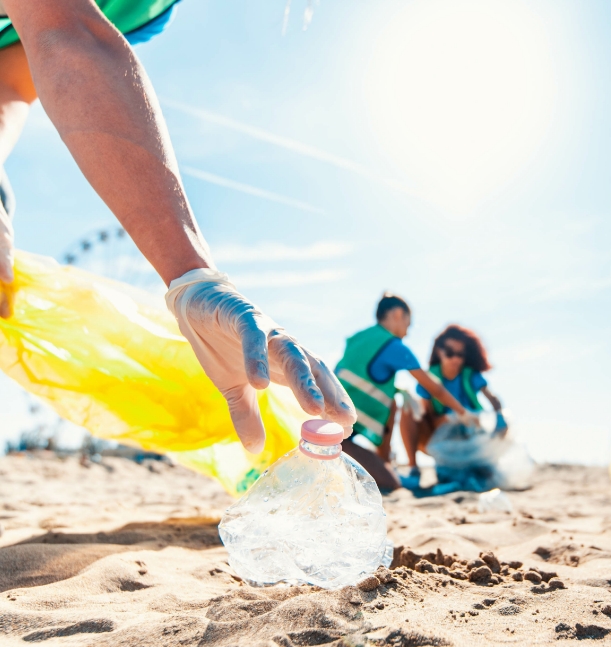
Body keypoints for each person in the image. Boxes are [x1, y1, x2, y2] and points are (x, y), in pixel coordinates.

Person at [0, 0, 355, 451]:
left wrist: (193, 281)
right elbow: (66, 32)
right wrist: (188, 267)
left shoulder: (142, 9)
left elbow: (10, 81)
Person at [335, 294, 474, 492]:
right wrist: (463, 413)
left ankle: (384, 465)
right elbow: (434, 387)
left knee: (394, 400)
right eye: (408, 325)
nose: (407, 333)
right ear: (398, 314)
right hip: (338, 441)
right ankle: (388, 474)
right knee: (389, 483)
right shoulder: (392, 345)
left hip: (330, 425)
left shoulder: (359, 338)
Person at [400, 324, 507, 482]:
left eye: (460, 354)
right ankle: (414, 470)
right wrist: (451, 418)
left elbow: (492, 398)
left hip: (470, 436)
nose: (455, 359)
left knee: (487, 477)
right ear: (439, 351)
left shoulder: (470, 376)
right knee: (409, 407)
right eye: (450, 353)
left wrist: (499, 416)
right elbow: (429, 418)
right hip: (440, 438)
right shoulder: (429, 378)